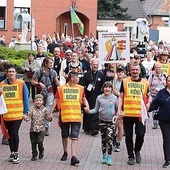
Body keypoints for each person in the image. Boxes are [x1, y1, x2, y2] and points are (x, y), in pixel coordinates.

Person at [49, 71, 89, 166]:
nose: (79, 79)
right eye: (77, 77)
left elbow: (83, 99)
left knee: (74, 136)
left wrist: (87, 106)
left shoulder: (80, 88)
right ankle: (65, 151)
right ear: (72, 78)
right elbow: (55, 101)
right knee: (65, 135)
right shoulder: (61, 89)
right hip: (65, 116)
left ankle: (73, 156)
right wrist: (50, 113)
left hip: (76, 116)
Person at [117, 62, 152, 165]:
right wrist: (119, 110)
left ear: (140, 71)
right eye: (133, 70)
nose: (135, 71)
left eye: (137, 70)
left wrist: (149, 102)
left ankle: (137, 150)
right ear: (130, 70)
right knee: (128, 136)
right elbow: (121, 97)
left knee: (141, 134)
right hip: (128, 113)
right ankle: (130, 156)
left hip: (141, 114)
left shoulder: (145, 83)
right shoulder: (124, 81)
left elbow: (149, 95)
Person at [0, 64, 29, 164]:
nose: (11, 73)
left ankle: (16, 153)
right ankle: (12, 152)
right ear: (6, 73)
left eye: (13, 71)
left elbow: (26, 98)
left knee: (14, 132)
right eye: (9, 72)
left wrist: (25, 112)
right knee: (8, 135)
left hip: (17, 114)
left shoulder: (21, 83)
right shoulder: (2, 85)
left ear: (16, 73)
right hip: (6, 115)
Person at [87, 81, 118, 165]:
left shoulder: (114, 98)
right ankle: (104, 155)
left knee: (109, 139)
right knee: (103, 139)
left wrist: (119, 115)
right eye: (105, 87)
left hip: (111, 122)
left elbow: (117, 110)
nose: (107, 89)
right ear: (103, 88)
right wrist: (89, 111)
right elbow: (96, 109)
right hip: (102, 121)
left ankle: (110, 156)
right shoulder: (99, 98)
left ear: (111, 89)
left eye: (109, 87)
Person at [32, 57, 60, 136]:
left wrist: (62, 88)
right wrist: (38, 83)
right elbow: (33, 81)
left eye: (52, 63)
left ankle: (46, 127)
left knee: (47, 108)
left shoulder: (53, 72)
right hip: (40, 92)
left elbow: (56, 81)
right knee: (39, 109)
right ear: (45, 63)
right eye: (50, 63)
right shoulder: (38, 72)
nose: (52, 64)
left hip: (49, 91)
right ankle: (38, 126)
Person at [149, 75, 170, 168]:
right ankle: (167, 159)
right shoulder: (161, 92)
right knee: (167, 139)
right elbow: (154, 104)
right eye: (169, 81)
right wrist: (146, 108)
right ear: (166, 82)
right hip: (164, 120)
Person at [82, 59, 105, 136]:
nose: (95, 66)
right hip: (88, 97)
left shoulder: (101, 75)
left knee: (96, 113)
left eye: (96, 64)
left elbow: (104, 86)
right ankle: (87, 127)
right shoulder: (86, 75)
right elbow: (82, 86)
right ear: (91, 65)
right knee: (88, 112)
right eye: (93, 64)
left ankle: (94, 128)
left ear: (98, 65)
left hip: (98, 96)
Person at [26, 94, 52, 161]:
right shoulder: (31, 109)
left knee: (40, 141)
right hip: (33, 129)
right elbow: (28, 117)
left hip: (41, 129)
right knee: (33, 142)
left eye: (40, 100)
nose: (38, 102)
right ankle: (34, 154)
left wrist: (50, 118)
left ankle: (41, 150)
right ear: (34, 101)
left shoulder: (44, 109)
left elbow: (48, 118)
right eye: (37, 100)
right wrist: (26, 118)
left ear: (42, 101)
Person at [148, 63, 166, 129]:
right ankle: (155, 123)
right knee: (154, 109)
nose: (158, 69)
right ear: (154, 68)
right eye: (156, 68)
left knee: (162, 109)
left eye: (159, 68)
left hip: (162, 95)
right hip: (154, 95)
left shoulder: (164, 75)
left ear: (161, 68)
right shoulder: (152, 75)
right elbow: (148, 85)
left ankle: (161, 121)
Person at [112, 65, 126, 152]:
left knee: (120, 124)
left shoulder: (126, 82)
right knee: (113, 125)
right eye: (119, 72)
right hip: (113, 106)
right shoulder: (113, 82)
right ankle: (113, 136)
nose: (120, 73)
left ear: (124, 73)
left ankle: (118, 142)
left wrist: (118, 94)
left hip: (123, 106)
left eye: (122, 72)